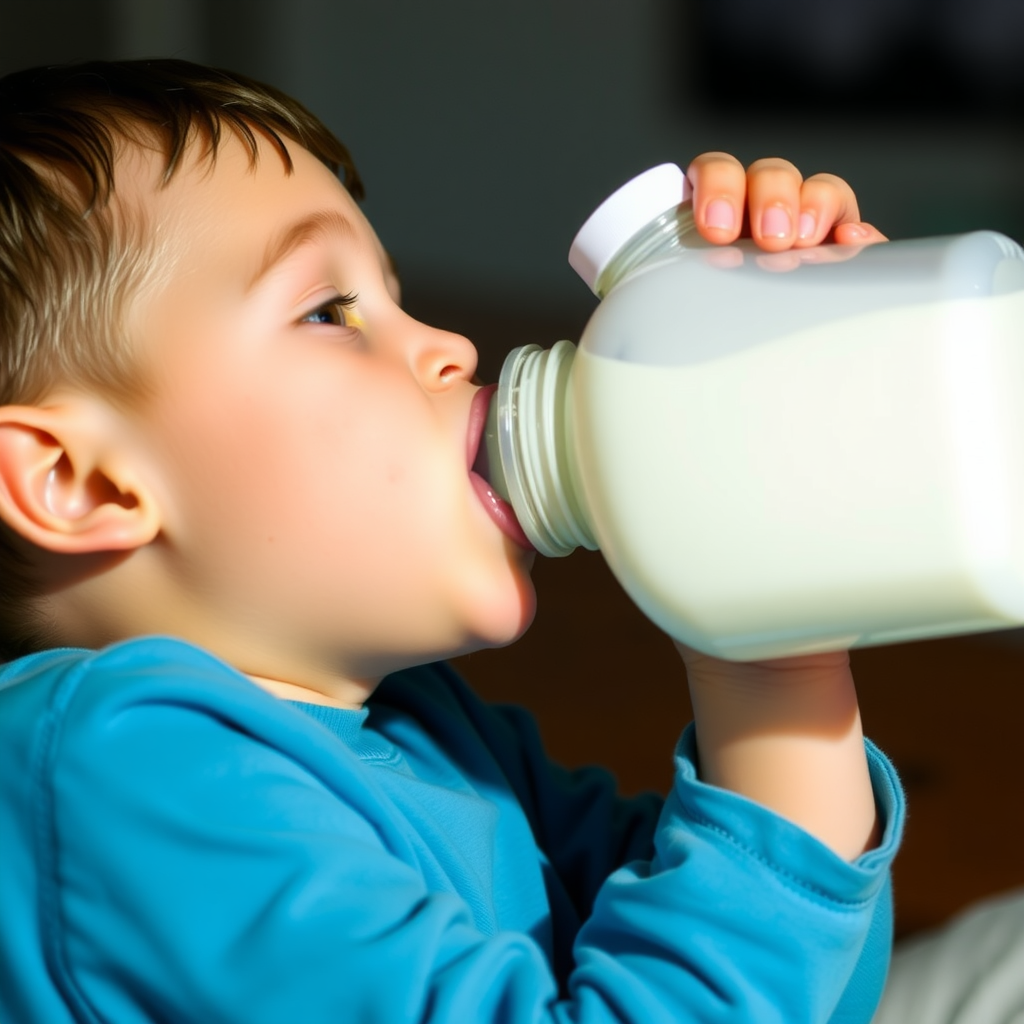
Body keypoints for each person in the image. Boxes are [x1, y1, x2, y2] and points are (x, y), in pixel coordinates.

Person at [0, 59, 900, 1024]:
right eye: (330, 312)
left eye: (392, 295)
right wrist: (776, 676)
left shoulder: (434, 730)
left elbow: (800, 982)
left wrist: (768, 627)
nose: (453, 347)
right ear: (78, 481)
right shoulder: (121, 772)